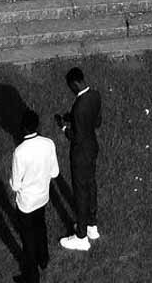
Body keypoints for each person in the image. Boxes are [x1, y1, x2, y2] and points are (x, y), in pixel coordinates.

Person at [10, 110, 60, 283]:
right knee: (41, 226)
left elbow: (16, 185)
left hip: (26, 203)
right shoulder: (49, 144)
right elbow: (55, 172)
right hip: (43, 197)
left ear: (23, 127)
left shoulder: (19, 152)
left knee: (28, 238)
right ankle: (43, 259)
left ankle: (32, 277)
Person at [59, 67, 103, 252]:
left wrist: (63, 127)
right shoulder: (95, 95)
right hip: (92, 147)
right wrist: (75, 120)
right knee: (91, 185)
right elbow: (97, 121)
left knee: (80, 192)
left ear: (75, 83)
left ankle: (81, 236)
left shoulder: (78, 106)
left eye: (71, 87)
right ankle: (92, 225)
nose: (71, 90)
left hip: (80, 154)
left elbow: (75, 137)